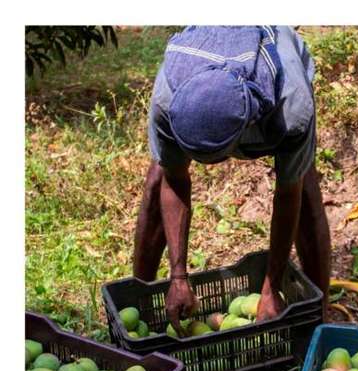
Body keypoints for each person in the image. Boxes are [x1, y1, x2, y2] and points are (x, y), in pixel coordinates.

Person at [133, 26, 330, 329]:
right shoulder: (167, 100)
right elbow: (175, 180)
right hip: (204, 59)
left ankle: (319, 318)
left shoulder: (291, 109)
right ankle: (140, 304)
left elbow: (288, 194)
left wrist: (271, 287)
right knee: (158, 179)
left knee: (304, 186)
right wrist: (179, 275)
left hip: (277, 61)